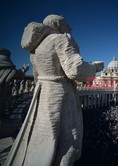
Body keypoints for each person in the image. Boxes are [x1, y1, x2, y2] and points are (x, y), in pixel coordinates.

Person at [5, 14, 104, 166]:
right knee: (68, 140)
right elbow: (75, 70)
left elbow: (37, 76)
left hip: (42, 92)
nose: (69, 30)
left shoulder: (36, 48)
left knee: (44, 135)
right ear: (58, 24)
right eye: (66, 26)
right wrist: (95, 67)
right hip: (60, 93)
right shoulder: (60, 39)